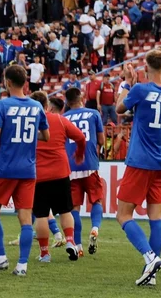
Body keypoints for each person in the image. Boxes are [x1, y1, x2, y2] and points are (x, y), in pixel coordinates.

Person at [114, 50, 161, 286]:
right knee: (155, 217)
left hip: (140, 160)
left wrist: (126, 82)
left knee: (123, 215)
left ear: (145, 67)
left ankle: (150, 257)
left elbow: (119, 108)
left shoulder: (141, 89)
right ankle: (151, 274)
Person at [0, 65, 50, 276]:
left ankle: (1, 256)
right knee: (25, 217)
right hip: (28, 170)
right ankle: (22, 265)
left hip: (6, 168)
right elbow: (45, 136)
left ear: (7, 82)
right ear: (25, 83)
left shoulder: (3, 105)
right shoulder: (37, 105)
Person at [31, 93, 85, 262]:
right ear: (47, 105)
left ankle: (45, 253)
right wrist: (79, 154)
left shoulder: (29, 122)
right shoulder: (59, 119)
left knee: (40, 215)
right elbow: (80, 137)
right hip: (60, 171)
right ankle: (70, 240)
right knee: (65, 210)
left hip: (38, 174)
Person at [64, 87, 105, 257]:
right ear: (81, 97)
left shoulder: (63, 118)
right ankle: (95, 228)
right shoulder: (93, 113)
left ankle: (78, 245)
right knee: (97, 201)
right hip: (89, 163)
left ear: (66, 102)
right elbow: (101, 140)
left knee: (74, 207)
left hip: (71, 167)